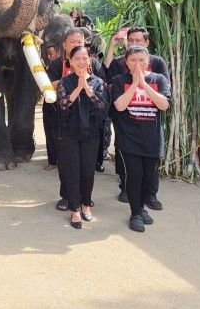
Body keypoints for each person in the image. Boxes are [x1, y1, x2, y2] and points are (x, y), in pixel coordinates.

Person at [105, 27, 168, 208]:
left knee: (150, 166)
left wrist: (144, 84)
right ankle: (127, 191)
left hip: (150, 125)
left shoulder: (158, 65)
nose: (133, 43)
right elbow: (109, 78)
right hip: (126, 121)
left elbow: (164, 99)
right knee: (128, 160)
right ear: (127, 61)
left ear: (146, 43)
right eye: (130, 40)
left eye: (138, 40)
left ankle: (150, 195)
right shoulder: (120, 66)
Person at [54, 45, 109, 229]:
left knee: (87, 172)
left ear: (90, 60)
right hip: (69, 133)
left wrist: (88, 89)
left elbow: (103, 107)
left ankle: (86, 204)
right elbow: (62, 105)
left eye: (84, 58)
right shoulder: (65, 82)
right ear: (70, 61)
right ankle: (74, 209)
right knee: (72, 172)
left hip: (91, 133)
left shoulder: (98, 82)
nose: (81, 62)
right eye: (77, 58)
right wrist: (78, 88)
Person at [41, 44, 61, 172]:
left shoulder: (64, 64)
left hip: (65, 104)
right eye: (47, 54)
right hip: (50, 104)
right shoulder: (49, 67)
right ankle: (52, 160)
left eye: (51, 53)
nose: (48, 57)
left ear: (59, 53)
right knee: (50, 132)